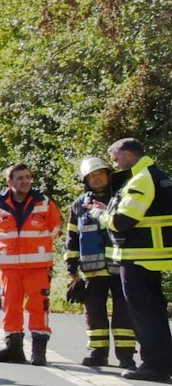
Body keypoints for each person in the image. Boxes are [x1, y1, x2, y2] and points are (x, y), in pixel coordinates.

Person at [104, 138, 172, 382]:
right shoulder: (156, 175)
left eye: (116, 156)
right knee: (154, 312)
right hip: (151, 255)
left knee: (144, 313)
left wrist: (102, 215)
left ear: (130, 155)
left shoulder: (142, 178)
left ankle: (153, 366)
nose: (114, 161)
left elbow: (123, 220)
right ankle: (161, 363)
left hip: (139, 256)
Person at [0, 163, 63, 365]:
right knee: (11, 307)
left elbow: (56, 226)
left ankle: (39, 352)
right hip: (9, 267)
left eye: (28, 177)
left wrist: (39, 245)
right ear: (10, 182)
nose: (25, 181)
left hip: (38, 266)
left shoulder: (43, 202)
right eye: (20, 178)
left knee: (39, 307)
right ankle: (13, 350)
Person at [65, 155, 134, 369]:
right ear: (85, 180)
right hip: (92, 272)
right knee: (94, 313)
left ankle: (126, 356)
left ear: (108, 174)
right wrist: (72, 270)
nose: (96, 179)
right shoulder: (79, 205)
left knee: (124, 313)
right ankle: (97, 353)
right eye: (91, 176)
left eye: (99, 174)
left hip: (120, 268)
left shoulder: (122, 199)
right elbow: (72, 238)